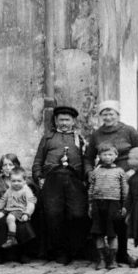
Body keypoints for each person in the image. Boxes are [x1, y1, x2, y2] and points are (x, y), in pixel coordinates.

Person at [85, 100, 138, 264]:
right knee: (103, 218)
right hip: (104, 180)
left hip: (126, 178)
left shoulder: (129, 131)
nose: (108, 117)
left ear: (118, 115)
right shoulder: (97, 134)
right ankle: (103, 255)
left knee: (122, 217)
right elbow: (88, 158)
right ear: (100, 116)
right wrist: (89, 172)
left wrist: (133, 170)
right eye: (104, 113)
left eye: (111, 113)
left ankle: (123, 254)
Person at [32, 105, 89, 264]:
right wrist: (38, 177)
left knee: (77, 214)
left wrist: (86, 178)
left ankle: (75, 249)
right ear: (56, 121)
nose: (64, 123)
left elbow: (86, 160)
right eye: (61, 119)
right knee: (53, 215)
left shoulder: (80, 139)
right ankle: (59, 251)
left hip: (74, 180)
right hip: (52, 180)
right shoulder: (48, 138)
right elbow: (38, 160)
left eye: (67, 120)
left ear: (73, 121)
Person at [88, 143, 129, 270]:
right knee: (99, 232)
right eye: (104, 154)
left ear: (116, 156)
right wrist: (90, 204)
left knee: (112, 233)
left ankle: (112, 260)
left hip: (114, 204)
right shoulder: (96, 171)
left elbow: (125, 190)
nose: (107, 157)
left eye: (110, 154)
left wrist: (124, 205)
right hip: (97, 203)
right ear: (99, 156)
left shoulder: (120, 172)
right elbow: (91, 188)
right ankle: (101, 259)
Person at [0, 167, 37, 255]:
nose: (16, 183)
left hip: (19, 210)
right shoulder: (9, 189)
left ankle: (11, 238)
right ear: (10, 181)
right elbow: (3, 200)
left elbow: (31, 203)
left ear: (24, 181)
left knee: (10, 218)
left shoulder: (26, 190)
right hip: (8, 209)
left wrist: (27, 213)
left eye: (19, 181)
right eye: (13, 181)